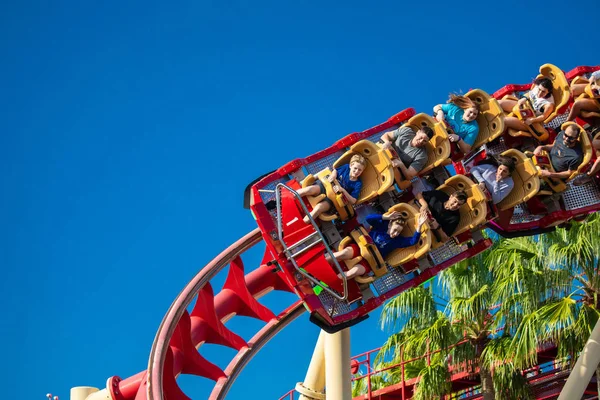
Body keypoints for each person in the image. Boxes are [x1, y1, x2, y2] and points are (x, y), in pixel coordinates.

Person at [331, 211, 428, 279]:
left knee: (352, 273)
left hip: (370, 261)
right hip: (360, 248)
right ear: (390, 225)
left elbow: (412, 241)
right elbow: (368, 218)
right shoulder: (381, 226)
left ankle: (333, 279)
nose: (395, 234)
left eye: (398, 232)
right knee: (343, 254)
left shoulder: (397, 241)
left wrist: (419, 226)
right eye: (395, 230)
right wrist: (386, 217)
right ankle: (323, 262)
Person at [297, 154, 366, 223]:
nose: (357, 171)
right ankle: (290, 197)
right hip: (325, 187)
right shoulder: (346, 168)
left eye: (360, 170)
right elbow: (335, 170)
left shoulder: (358, 183)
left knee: (318, 208)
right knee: (308, 190)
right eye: (355, 168)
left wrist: (343, 190)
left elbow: (353, 201)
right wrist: (333, 175)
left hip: (332, 200)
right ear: (351, 166)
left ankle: (301, 223)